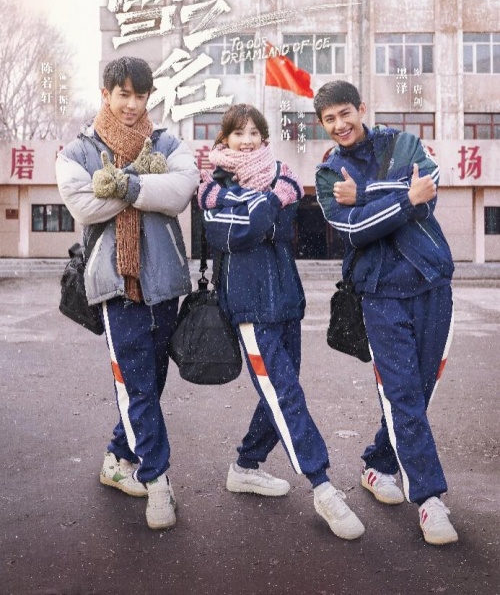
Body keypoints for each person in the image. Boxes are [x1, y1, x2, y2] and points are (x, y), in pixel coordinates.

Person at [197, 103, 365, 541]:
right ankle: (322, 486)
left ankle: (245, 466)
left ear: (264, 137)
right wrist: (270, 202)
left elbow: (280, 228)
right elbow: (236, 232)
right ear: (225, 139)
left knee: (280, 389)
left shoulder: (281, 173)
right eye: (238, 133)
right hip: (248, 305)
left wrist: (258, 213)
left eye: (254, 132)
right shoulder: (212, 185)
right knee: (283, 392)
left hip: (287, 299)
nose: (247, 140)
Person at [56, 56, 199, 531]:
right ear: (106, 94)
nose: (133, 104)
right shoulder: (78, 150)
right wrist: (147, 186)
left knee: (151, 381)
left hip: (164, 282)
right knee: (136, 385)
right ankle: (156, 480)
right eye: (124, 94)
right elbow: (83, 204)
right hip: (116, 284)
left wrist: (122, 183)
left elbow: (180, 191)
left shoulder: (168, 143)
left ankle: (116, 457)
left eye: (140, 95)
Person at [314, 80, 458, 546]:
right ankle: (430, 499)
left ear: (361, 108)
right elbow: (356, 231)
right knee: (402, 394)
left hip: (432, 284)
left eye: (345, 113)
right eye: (329, 120)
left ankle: (378, 464)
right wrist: (402, 197)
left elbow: (427, 196)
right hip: (379, 296)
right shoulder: (328, 173)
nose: (340, 125)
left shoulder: (405, 142)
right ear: (322, 125)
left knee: (419, 391)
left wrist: (367, 194)